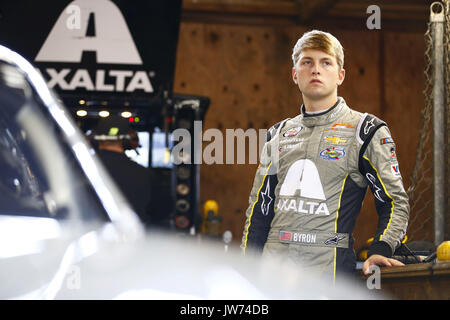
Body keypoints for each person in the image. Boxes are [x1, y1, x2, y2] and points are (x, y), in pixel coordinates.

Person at [240, 30, 409, 281]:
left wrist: (380, 249)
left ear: (340, 75)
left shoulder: (365, 131)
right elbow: (259, 208)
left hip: (326, 273)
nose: (316, 70)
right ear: (295, 74)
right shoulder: (278, 134)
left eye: (325, 62)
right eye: (307, 62)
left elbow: (395, 201)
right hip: (271, 272)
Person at [92, 115, 152, 225]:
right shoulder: (143, 174)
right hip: (131, 238)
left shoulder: (80, 170)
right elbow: (160, 210)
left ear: (95, 140)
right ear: (127, 141)